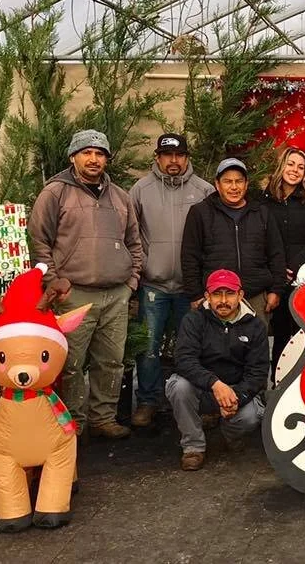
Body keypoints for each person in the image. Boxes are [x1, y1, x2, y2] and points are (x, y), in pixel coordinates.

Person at [29, 129, 143, 440]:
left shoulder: (121, 197)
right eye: (87, 153)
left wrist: (131, 281)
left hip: (116, 293)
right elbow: (40, 242)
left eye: (100, 153)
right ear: (73, 157)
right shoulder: (55, 193)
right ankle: (74, 422)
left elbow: (134, 242)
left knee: (111, 361)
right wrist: (55, 282)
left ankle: (103, 418)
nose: (93, 159)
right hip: (73, 294)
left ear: (107, 159)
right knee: (71, 364)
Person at [128, 133, 213, 428]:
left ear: (187, 157)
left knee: (194, 348)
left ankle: (199, 402)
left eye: (178, 155)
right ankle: (148, 402)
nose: (173, 161)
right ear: (157, 158)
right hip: (154, 285)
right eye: (167, 155)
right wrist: (137, 275)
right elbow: (131, 235)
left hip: (192, 289)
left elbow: (212, 240)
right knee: (148, 347)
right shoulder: (140, 190)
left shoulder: (204, 190)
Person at [166, 269, 268, 471]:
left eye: (229, 294)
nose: (223, 300)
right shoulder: (194, 320)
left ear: (240, 295)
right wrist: (215, 384)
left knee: (252, 416)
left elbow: (258, 372)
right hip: (204, 388)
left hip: (237, 391)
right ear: (207, 296)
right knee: (177, 386)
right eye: (216, 294)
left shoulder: (256, 325)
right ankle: (193, 447)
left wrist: (235, 396)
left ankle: (229, 433)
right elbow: (184, 360)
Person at [180, 158, 286, 329]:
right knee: (214, 351)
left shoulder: (262, 213)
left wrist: (276, 290)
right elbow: (189, 257)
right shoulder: (200, 213)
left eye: (239, 181)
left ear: (246, 184)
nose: (234, 187)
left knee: (255, 352)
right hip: (215, 299)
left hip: (256, 297)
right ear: (217, 184)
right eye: (227, 181)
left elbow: (276, 254)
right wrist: (195, 295)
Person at [263, 147, 305, 382]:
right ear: (282, 165)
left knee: (301, 333)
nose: (295, 170)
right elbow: (262, 236)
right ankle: (276, 384)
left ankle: (301, 384)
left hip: (301, 277)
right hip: (272, 275)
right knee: (279, 333)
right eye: (291, 164)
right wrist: (278, 268)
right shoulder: (264, 200)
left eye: (301, 167)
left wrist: (293, 267)